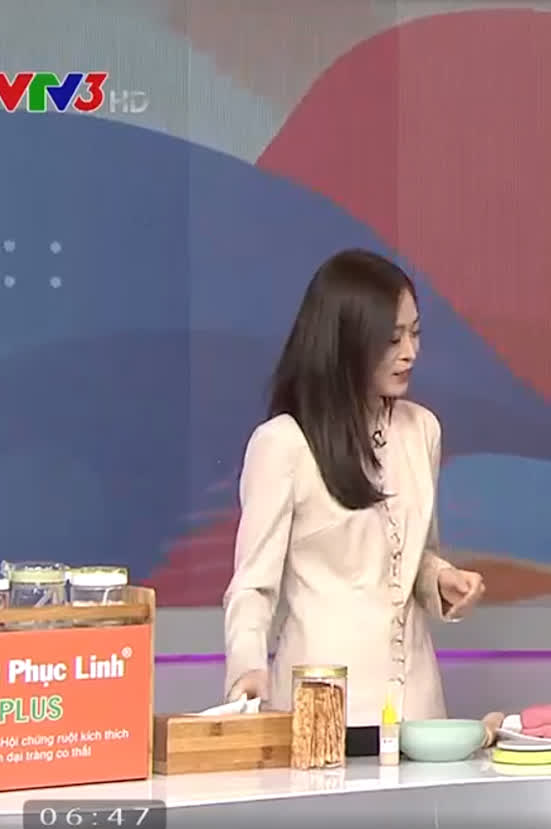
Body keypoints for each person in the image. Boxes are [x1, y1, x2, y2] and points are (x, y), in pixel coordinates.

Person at [223, 248, 486, 757]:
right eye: (392, 339)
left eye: (415, 334)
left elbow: (411, 554)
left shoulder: (422, 430)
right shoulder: (285, 443)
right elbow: (253, 585)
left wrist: (439, 580)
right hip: (322, 708)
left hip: (418, 713)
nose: (410, 353)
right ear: (346, 342)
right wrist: (247, 667)